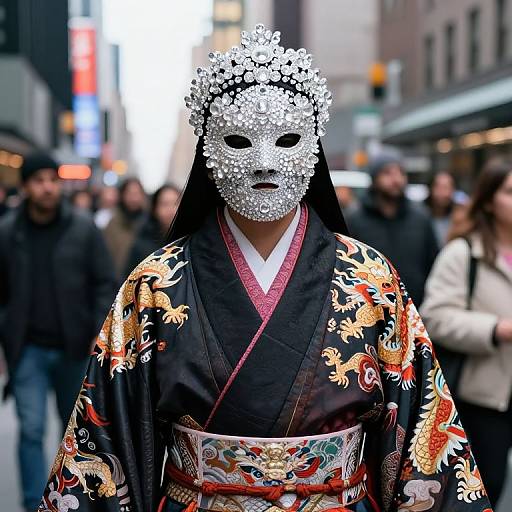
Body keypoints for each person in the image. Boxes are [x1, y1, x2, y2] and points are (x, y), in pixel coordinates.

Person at [38, 26, 491, 512]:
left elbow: (421, 430)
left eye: (287, 140)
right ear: (208, 154)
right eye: (238, 141)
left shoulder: (370, 277)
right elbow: (107, 438)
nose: (264, 164)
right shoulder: (153, 284)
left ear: (312, 149)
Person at [0, 152, 116, 512]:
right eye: (39, 181)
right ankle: (32, 502)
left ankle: (73, 503)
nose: (47, 187)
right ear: (27, 186)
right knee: (31, 429)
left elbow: (104, 283)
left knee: (76, 435)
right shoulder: (7, 232)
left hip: (74, 349)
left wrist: (95, 331)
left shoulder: (82, 229)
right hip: (27, 348)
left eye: (52, 179)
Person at [421, 158, 512, 507]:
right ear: (489, 201)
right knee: (483, 492)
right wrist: (495, 329)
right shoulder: (463, 254)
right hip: (482, 399)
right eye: (509, 192)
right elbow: (436, 316)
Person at [346, 155, 438, 305]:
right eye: (387, 173)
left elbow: (433, 263)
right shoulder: (355, 220)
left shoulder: (421, 218)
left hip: (415, 310)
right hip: (371, 309)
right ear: (374, 179)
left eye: (400, 173)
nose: (396, 179)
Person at [125, 184, 180, 274]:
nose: (171, 210)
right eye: (165, 204)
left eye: (176, 203)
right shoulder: (142, 245)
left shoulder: (191, 243)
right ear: (155, 209)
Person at [103, 178, 147, 279]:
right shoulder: (113, 223)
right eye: (130, 193)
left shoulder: (149, 224)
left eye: (137, 193)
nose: (134, 198)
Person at [424, 172, 457, 247]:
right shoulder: (421, 216)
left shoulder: (459, 217)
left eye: (447, 187)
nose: (443, 193)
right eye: (439, 187)